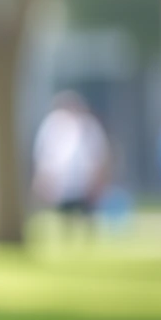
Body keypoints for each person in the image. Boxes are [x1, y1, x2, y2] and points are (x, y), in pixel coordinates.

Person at [31, 91, 110, 235]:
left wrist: (98, 177)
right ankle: (68, 236)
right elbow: (44, 154)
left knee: (86, 211)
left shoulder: (89, 125)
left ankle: (87, 239)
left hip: (84, 178)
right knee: (65, 212)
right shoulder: (53, 125)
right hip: (62, 180)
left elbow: (99, 153)